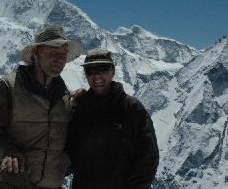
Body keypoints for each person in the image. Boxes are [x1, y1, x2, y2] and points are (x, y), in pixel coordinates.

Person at [0, 25, 83, 189]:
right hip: (15, 182)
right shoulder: (9, 87)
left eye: (63, 54)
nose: (59, 58)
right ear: (35, 55)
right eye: (52, 52)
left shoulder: (66, 97)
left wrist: (85, 100)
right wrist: (7, 154)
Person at [66, 48, 159, 189]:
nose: (96, 76)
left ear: (113, 71)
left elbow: (148, 157)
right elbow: (69, 149)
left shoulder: (132, 108)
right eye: (90, 71)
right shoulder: (80, 107)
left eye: (103, 69)